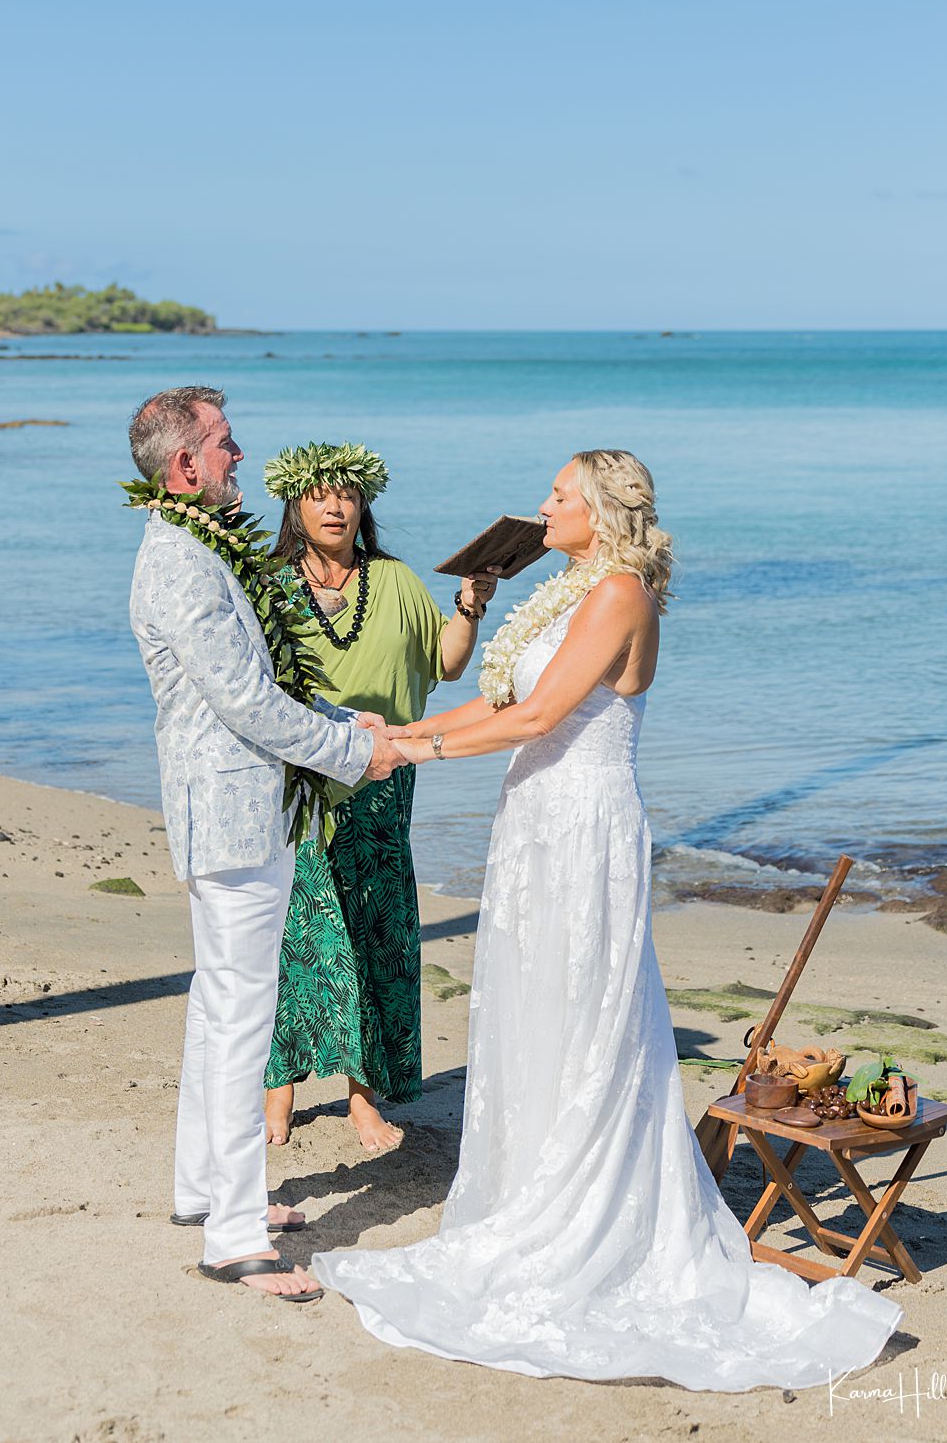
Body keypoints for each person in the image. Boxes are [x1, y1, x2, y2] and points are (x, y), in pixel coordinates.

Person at [312, 451, 903, 1386]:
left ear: (599, 511)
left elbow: (538, 714)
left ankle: (582, 1217)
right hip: (535, 819)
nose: (540, 505)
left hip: (583, 828)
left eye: (557, 495)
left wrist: (401, 750)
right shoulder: (575, 585)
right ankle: (523, 1192)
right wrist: (396, 736)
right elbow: (500, 706)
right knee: (533, 1011)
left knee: (587, 1018)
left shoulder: (621, 591)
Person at [127, 386, 405, 1305]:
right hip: (235, 816)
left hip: (242, 810)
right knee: (243, 1014)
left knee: (220, 1005)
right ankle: (236, 1238)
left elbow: (256, 681)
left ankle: (204, 1188)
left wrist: (340, 716)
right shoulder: (179, 561)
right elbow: (244, 703)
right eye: (225, 443)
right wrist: (354, 754)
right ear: (185, 468)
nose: (240, 455)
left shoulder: (200, 547)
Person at [261, 441, 500, 1152]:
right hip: (299, 785)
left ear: (363, 507)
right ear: (296, 505)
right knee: (296, 936)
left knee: (374, 934)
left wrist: (470, 604)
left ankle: (363, 1098)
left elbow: (448, 664)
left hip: (384, 781)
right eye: (320, 495)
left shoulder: (393, 581)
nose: (336, 506)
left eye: (348, 495)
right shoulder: (270, 584)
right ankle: (280, 1088)